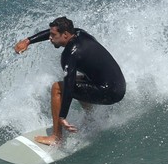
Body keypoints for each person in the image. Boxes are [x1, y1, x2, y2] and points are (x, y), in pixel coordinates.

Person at [14, 16, 126, 145]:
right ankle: (91, 116)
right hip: (118, 85)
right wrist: (28, 41)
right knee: (76, 80)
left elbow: (69, 87)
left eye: (53, 35)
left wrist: (62, 117)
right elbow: (51, 33)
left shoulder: (69, 55)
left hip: (109, 93)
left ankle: (56, 138)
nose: (50, 38)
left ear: (65, 35)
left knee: (58, 88)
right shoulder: (80, 33)